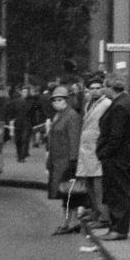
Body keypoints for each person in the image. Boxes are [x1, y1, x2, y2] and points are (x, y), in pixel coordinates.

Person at [93, 78, 130, 240]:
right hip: (123, 155)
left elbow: (116, 135)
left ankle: (118, 229)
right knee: (119, 191)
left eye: (105, 87)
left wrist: (104, 152)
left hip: (116, 157)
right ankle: (117, 227)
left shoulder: (119, 106)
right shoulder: (128, 102)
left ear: (111, 87)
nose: (104, 90)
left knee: (117, 192)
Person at [75, 72, 112, 229]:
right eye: (92, 88)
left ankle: (104, 217)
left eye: (98, 88)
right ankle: (96, 213)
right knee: (90, 184)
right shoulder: (88, 103)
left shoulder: (106, 104)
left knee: (98, 186)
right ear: (88, 90)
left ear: (103, 88)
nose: (95, 91)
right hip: (87, 150)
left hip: (97, 148)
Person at [45, 86, 82, 230]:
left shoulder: (71, 116)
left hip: (66, 162)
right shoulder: (59, 116)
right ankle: (68, 222)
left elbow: (74, 140)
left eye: (60, 100)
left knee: (69, 193)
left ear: (67, 100)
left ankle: (71, 222)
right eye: (54, 100)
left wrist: (73, 161)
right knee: (65, 194)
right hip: (58, 161)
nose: (56, 103)